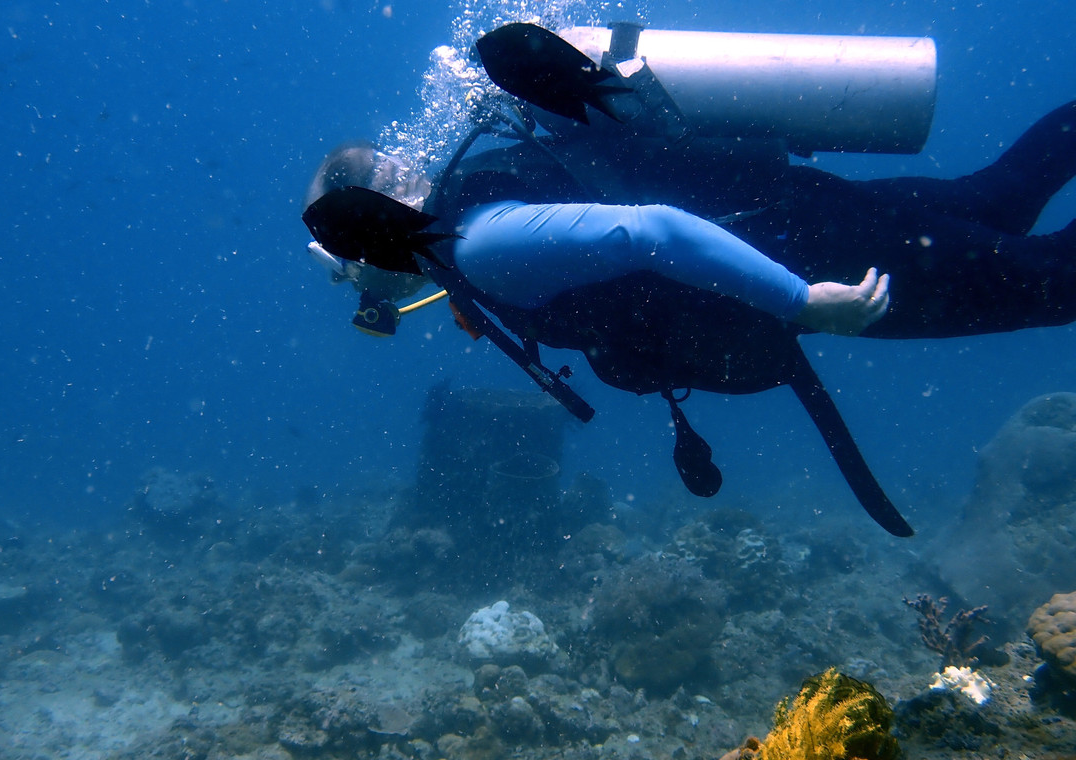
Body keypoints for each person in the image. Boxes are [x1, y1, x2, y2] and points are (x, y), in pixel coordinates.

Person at [301, 31, 1076, 535]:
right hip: (801, 217)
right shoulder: (473, 215)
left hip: (819, 254)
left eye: (350, 259)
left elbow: (657, 231)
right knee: (1000, 199)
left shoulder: (481, 244)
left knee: (1055, 284)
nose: (362, 285)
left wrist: (803, 300)